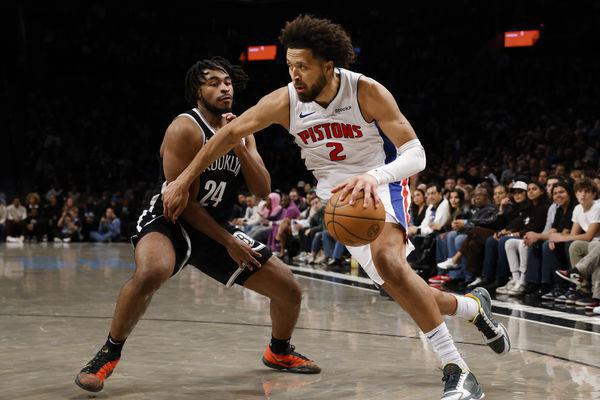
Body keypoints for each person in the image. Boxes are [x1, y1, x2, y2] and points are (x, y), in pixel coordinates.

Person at [161, 15, 509, 399]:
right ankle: (472, 307)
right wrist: (182, 180)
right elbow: (228, 134)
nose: (295, 75)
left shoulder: (366, 91)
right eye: (290, 66)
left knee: (391, 265)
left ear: (328, 65)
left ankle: (458, 370)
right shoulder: (285, 101)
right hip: (339, 202)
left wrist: (374, 177)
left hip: (381, 183)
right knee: (402, 289)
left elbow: (416, 154)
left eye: (303, 67)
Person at [75, 57, 320, 393]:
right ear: (197, 92)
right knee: (152, 271)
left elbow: (263, 190)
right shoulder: (185, 128)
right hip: (171, 219)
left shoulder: (243, 128)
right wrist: (229, 242)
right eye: (214, 83)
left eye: (227, 82)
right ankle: (108, 353)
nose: (224, 88)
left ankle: (278, 351)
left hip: (214, 224)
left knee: (289, 289)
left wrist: (238, 145)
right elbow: (184, 204)